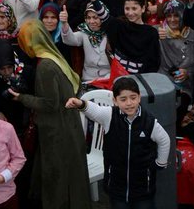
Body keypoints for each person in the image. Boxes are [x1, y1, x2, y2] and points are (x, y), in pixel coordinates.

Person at [9, 20, 91, 209]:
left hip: (58, 133)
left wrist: (21, 97)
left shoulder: (45, 67)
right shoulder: (54, 57)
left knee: (59, 181)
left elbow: (50, 104)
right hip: (70, 128)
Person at [66, 76, 171, 209]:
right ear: (115, 101)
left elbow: (164, 140)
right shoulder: (110, 116)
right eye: (123, 99)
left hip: (143, 187)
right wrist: (81, 104)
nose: (129, 103)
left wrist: (160, 163)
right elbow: (95, 110)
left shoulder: (148, 121)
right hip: (117, 186)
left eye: (133, 98)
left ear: (139, 97)